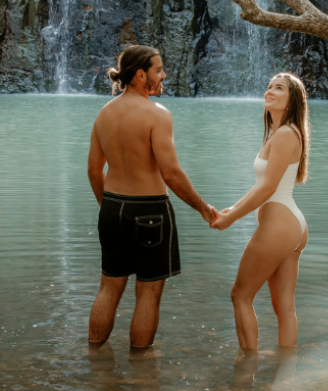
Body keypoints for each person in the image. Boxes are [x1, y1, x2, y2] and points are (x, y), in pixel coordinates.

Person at [87, 45, 217, 348]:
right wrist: (202, 207)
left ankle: (95, 360)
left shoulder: (104, 114)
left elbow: (94, 170)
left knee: (108, 289)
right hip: (150, 212)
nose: (164, 75)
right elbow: (171, 173)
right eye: (159, 70)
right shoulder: (157, 114)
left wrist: (107, 207)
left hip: (112, 207)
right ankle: (142, 375)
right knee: (148, 293)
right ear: (140, 74)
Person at [210, 73, 310, 350]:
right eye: (269, 86)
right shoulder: (283, 133)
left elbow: (268, 189)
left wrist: (232, 217)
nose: (270, 91)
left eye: (279, 88)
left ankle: (246, 374)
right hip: (291, 225)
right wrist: (237, 205)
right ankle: (285, 378)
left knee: (240, 296)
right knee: (284, 309)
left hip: (279, 224)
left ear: (292, 101)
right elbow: (263, 185)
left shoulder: (286, 134)